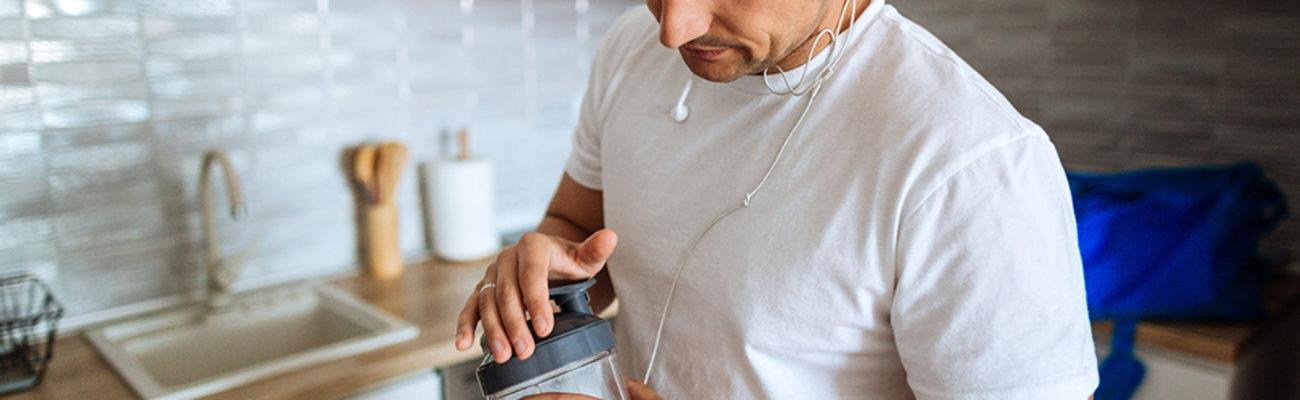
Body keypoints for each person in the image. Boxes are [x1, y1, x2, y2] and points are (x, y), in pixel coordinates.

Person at [456, 0, 1100, 398]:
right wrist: (538, 283)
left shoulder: (970, 160)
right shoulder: (631, 49)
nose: (674, 27)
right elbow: (574, 226)